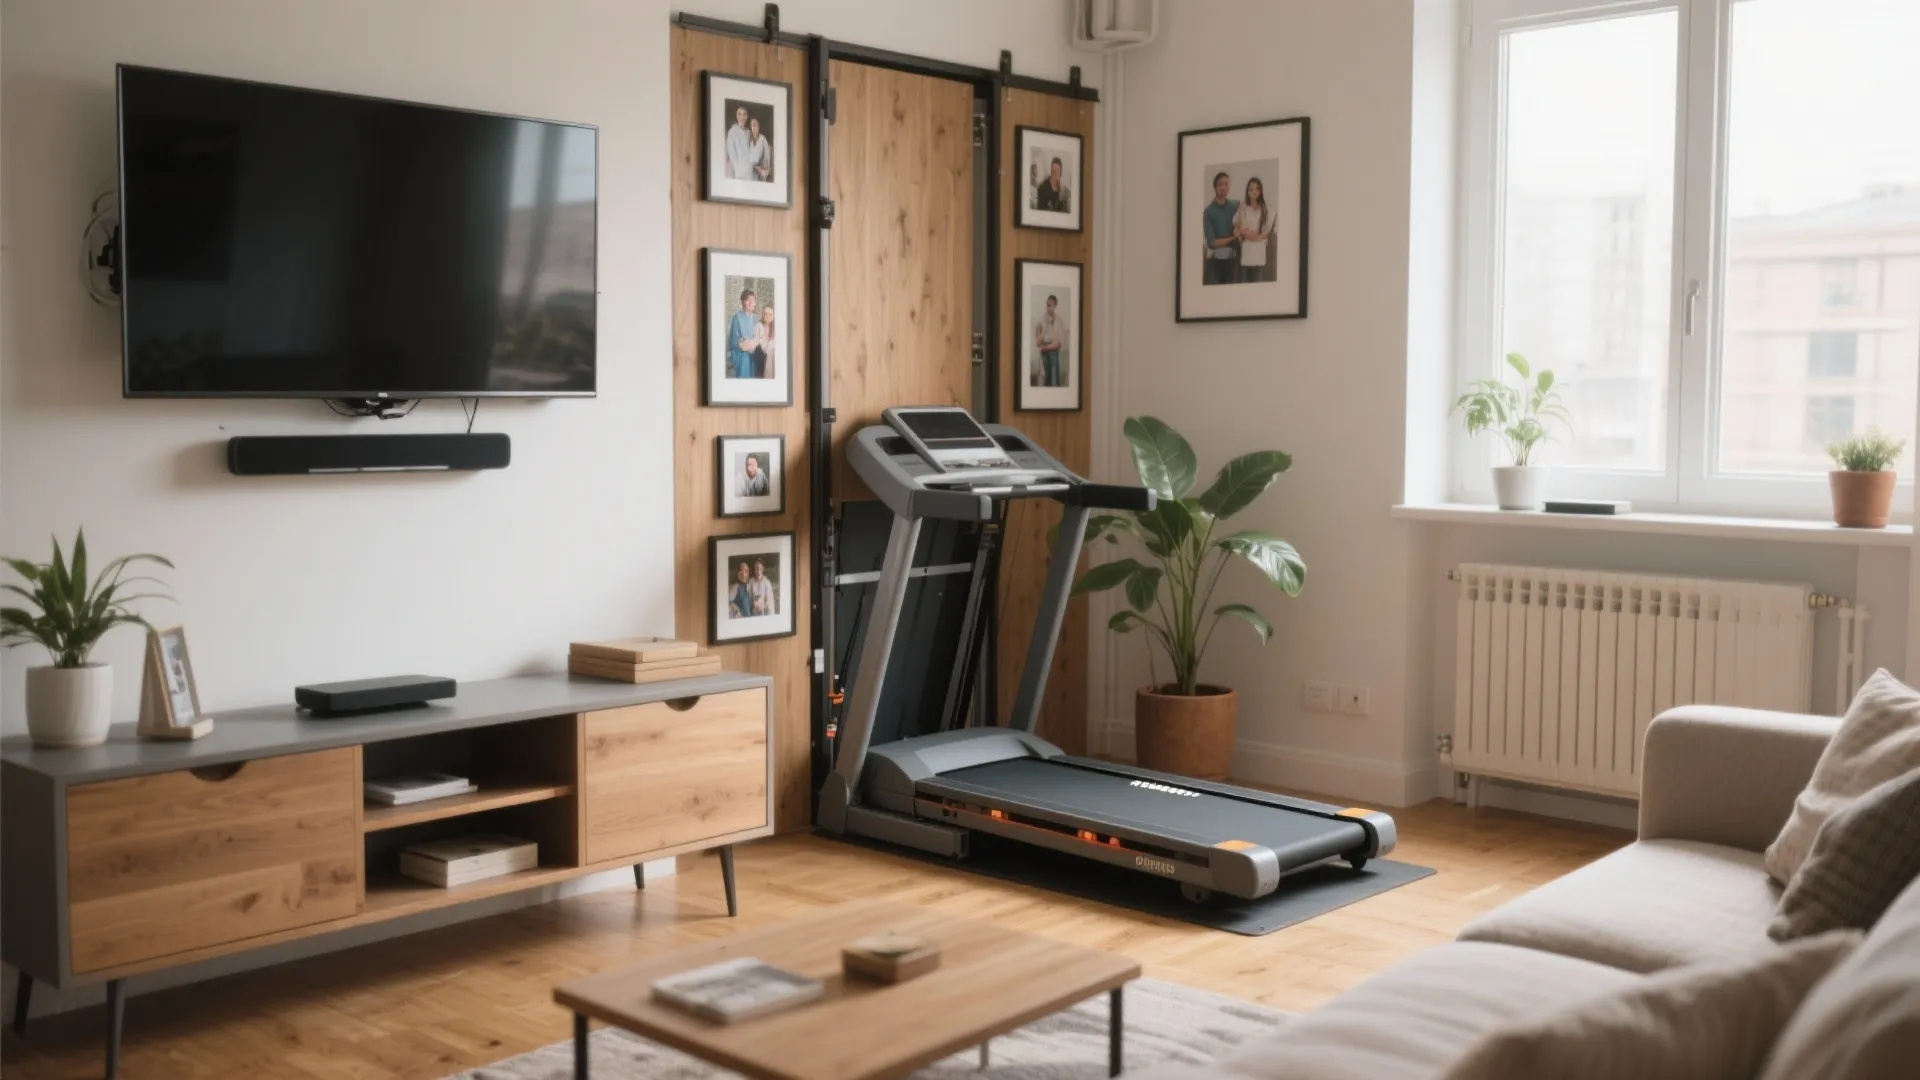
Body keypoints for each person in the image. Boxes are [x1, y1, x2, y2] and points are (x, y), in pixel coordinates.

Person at [1233, 176, 1275, 283]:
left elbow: (1265, 232)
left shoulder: (1266, 209)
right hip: (1247, 250)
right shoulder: (1243, 208)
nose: (1254, 192)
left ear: (1260, 191)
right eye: (1251, 189)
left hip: (1260, 251)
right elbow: (1241, 227)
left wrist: (1252, 234)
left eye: (1257, 189)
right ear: (1247, 192)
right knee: (1244, 282)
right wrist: (1247, 233)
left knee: (1258, 281)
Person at [1201, 171, 1239, 285]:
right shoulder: (1209, 212)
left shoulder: (1234, 206)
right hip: (1215, 264)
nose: (1223, 187)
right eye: (1220, 184)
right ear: (1214, 187)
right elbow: (1212, 243)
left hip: (1233, 262)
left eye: (1226, 184)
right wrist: (1233, 238)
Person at [1034, 293, 1067, 387]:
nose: (1048, 308)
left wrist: (1044, 346)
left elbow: (1058, 344)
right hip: (1044, 355)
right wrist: (1041, 335)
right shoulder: (1041, 320)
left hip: (1054, 355)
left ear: (1055, 306)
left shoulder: (1059, 321)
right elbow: (1038, 342)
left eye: (1050, 305)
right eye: (1047, 305)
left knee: (1054, 382)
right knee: (1043, 379)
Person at [727, 289, 759, 379]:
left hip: (754, 357)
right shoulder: (736, 318)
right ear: (743, 302)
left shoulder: (756, 319)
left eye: (753, 301)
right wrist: (745, 344)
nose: (751, 303)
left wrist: (753, 343)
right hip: (741, 357)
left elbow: (758, 338)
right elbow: (735, 341)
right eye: (748, 301)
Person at [724, 105, 754, 181]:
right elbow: (731, 152)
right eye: (739, 114)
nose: (742, 117)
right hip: (739, 172)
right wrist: (738, 169)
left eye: (744, 114)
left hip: (749, 171)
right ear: (736, 116)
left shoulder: (749, 132)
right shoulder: (732, 131)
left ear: (746, 116)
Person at [749, 303, 776, 379]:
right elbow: (758, 342)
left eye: (770, 314)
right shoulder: (758, 326)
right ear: (762, 315)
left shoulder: (775, 327)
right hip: (760, 353)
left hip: (770, 354)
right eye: (765, 314)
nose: (767, 316)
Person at [747, 115, 773, 182]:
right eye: (752, 125)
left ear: (759, 126)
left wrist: (764, 169)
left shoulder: (762, 139)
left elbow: (767, 157)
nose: (753, 127)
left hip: (762, 171)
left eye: (755, 125)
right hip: (752, 171)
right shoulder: (750, 142)